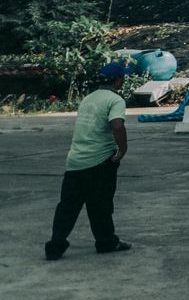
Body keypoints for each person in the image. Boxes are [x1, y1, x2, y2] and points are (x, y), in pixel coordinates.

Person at [46, 61, 133, 260]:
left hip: (75, 160)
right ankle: (106, 241)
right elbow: (117, 125)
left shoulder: (88, 98)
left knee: (68, 206)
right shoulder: (115, 100)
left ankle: (55, 245)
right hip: (100, 160)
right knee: (100, 204)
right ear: (118, 80)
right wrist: (122, 149)